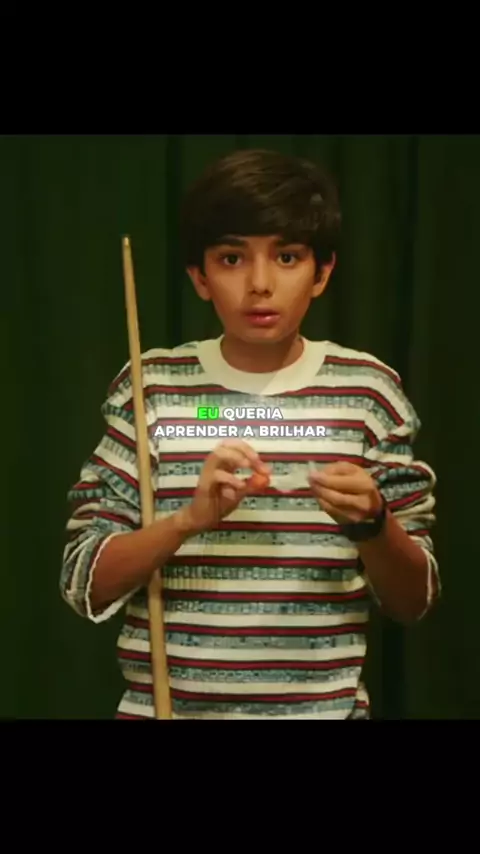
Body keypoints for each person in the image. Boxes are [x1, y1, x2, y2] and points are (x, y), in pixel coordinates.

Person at [60, 148, 440, 720]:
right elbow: (83, 581)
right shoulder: (152, 389)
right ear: (199, 277)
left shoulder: (368, 393)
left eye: (287, 257)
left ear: (322, 273)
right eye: (232, 258)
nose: (260, 284)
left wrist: (374, 524)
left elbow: (415, 601)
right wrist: (188, 521)